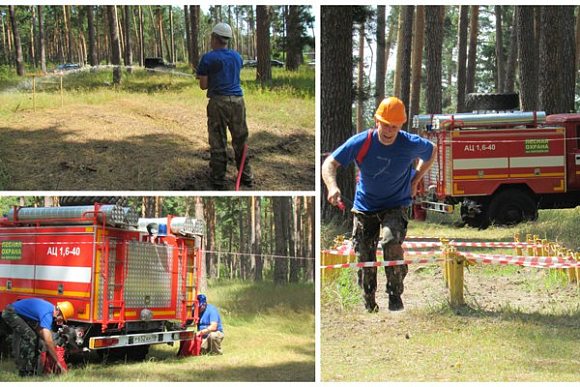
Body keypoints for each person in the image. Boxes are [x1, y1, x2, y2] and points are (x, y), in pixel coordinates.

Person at [322, 97, 437, 313]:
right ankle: (369, 303)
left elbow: (432, 150)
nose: (389, 130)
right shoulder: (361, 141)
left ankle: (395, 295)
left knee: (391, 242)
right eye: (385, 124)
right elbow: (330, 163)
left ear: (400, 126)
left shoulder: (409, 142)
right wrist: (332, 187)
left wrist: (416, 179)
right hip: (365, 208)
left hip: (396, 204)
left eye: (394, 126)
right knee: (364, 256)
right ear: (377, 121)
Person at [196, 22, 253, 190]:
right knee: (240, 140)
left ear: (214, 38)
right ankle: (246, 176)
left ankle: (217, 179)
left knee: (218, 141)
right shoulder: (237, 56)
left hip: (218, 103)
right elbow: (230, 75)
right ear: (227, 40)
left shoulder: (208, 58)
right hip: (237, 102)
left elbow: (203, 86)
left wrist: (202, 77)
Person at [2, 298, 73, 376]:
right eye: (62, 318)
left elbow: (39, 330)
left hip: (18, 314)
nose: (61, 321)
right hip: (11, 313)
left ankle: (32, 369)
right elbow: (48, 341)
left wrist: (51, 344)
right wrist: (58, 363)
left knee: (34, 337)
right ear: (59, 313)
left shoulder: (49, 309)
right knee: (30, 337)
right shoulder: (47, 314)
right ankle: (24, 371)